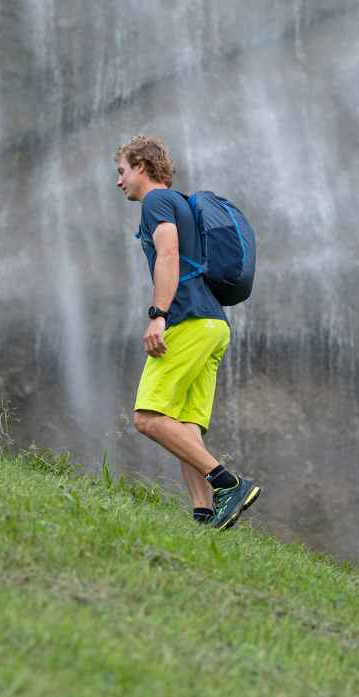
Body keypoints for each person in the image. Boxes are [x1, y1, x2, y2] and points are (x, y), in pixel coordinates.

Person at [113, 134, 260, 529]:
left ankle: (230, 484)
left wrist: (158, 314)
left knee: (148, 416)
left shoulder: (157, 202)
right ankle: (204, 513)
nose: (119, 181)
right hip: (215, 325)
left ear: (142, 167)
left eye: (122, 171)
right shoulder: (181, 204)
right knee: (185, 425)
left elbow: (168, 254)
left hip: (188, 320)